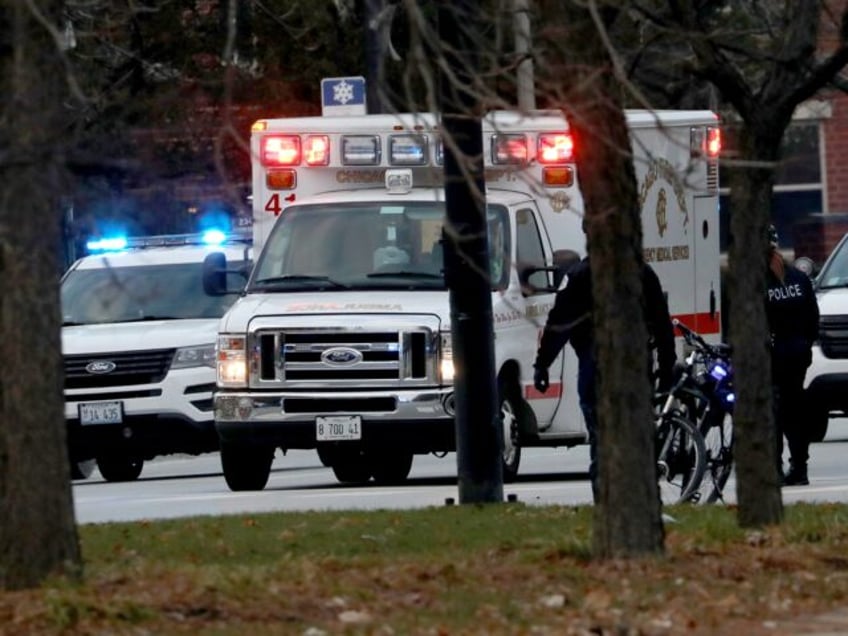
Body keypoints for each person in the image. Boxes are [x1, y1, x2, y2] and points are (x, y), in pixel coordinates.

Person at [532, 252, 677, 503]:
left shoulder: (578, 276)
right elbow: (663, 327)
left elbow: (559, 324)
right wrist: (666, 373)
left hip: (595, 374)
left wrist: (542, 364)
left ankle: (607, 506)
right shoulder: (642, 272)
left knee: (601, 447)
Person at [765, 224, 819, 486]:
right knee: (794, 413)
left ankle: (774, 469)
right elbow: (813, 320)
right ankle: (800, 468)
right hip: (797, 356)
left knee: (773, 414)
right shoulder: (800, 278)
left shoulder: (756, 282)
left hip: (773, 358)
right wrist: (805, 345)